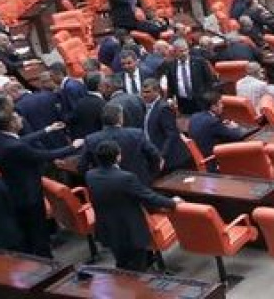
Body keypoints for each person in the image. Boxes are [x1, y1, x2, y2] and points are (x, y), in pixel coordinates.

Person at [0, 111, 81, 257]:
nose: (21, 119)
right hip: (29, 196)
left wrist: (48, 129)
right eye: (18, 118)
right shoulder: (15, 147)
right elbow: (45, 155)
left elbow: (24, 140)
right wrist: (73, 147)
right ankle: (46, 261)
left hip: (14, 192)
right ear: (12, 124)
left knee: (29, 232)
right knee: (38, 232)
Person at [85, 140, 179, 271]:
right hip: (130, 230)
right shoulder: (125, 177)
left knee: (121, 264)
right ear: (118, 156)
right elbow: (149, 197)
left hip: (108, 228)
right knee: (138, 268)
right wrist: (173, 203)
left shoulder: (90, 175)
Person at [77, 104, 161, 185]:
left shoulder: (91, 139)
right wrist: (150, 176)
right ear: (120, 118)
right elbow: (154, 155)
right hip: (137, 184)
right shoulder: (137, 134)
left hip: (106, 187)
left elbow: (82, 167)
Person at [141, 79, 190, 172]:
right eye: (143, 92)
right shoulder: (147, 107)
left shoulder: (163, 108)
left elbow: (172, 134)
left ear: (157, 91)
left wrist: (162, 155)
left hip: (172, 159)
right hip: (160, 157)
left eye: (147, 92)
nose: (144, 95)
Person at [188, 91, 245, 162]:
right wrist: (235, 127)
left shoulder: (194, 117)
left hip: (201, 155)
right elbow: (238, 136)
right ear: (213, 107)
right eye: (220, 103)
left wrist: (221, 125)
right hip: (214, 159)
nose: (222, 106)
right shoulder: (213, 122)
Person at [164, 38, 216, 114]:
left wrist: (207, 97)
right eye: (181, 51)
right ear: (175, 52)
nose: (184, 53)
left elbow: (209, 81)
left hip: (201, 101)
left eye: (186, 50)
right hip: (183, 103)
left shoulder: (200, 62)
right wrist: (170, 98)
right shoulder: (171, 66)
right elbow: (171, 84)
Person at [69, 71, 107, 139]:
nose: (107, 85)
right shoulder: (103, 104)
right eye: (105, 83)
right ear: (99, 86)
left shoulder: (79, 102)